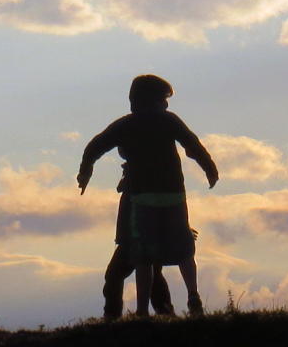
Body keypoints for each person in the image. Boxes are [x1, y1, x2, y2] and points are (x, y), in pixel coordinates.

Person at [78, 74, 218, 318]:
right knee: (150, 267)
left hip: (142, 202)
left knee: (127, 270)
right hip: (161, 199)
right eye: (163, 100)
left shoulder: (127, 125)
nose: (166, 105)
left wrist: (85, 171)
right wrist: (209, 168)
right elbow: (192, 144)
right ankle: (163, 314)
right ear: (150, 100)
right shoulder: (166, 121)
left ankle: (121, 319)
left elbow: (94, 147)